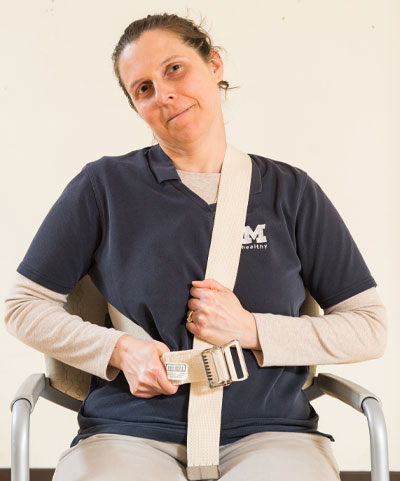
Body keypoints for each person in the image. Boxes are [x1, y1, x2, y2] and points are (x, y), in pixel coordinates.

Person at [4, 12, 387, 481]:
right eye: (142, 88)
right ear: (136, 108)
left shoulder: (292, 192)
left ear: (215, 64)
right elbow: (22, 306)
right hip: (129, 432)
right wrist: (120, 349)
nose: (162, 93)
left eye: (174, 69)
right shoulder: (103, 186)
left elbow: (369, 327)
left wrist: (251, 329)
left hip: (271, 433)